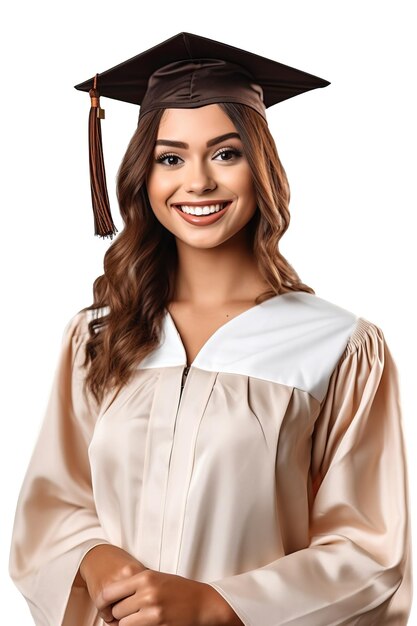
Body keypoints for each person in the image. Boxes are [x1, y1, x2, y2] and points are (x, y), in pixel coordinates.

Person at [9, 32, 412, 626]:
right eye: (170, 157)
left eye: (226, 153)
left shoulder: (336, 348)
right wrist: (94, 560)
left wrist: (219, 604)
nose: (197, 182)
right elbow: (55, 505)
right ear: (143, 176)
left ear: (262, 166)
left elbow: (370, 553)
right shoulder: (98, 336)